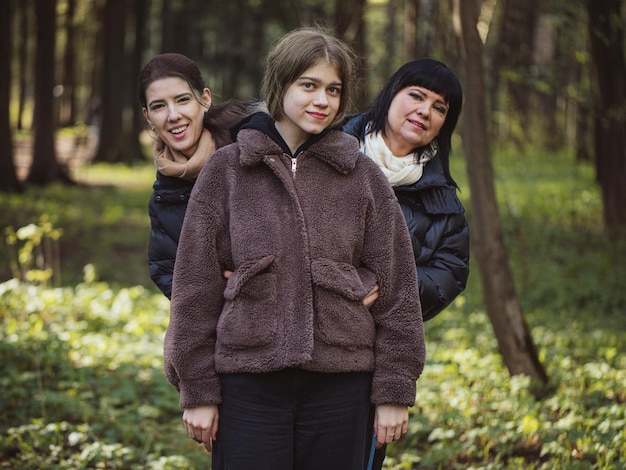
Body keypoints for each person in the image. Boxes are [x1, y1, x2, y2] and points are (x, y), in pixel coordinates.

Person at [163, 27, 426, 470]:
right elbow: (194, 288)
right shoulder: (227, 170)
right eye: (309, 85)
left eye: (333, 90)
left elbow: (399, 292)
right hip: (247, 381)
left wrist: (395, 391)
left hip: (343, 384)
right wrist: (198, 390)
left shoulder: (362, 176)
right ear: (280, 84)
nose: (322, 100)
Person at [342, 58, 470, 469]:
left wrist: (389, 290)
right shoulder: (326, 145)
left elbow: (450, 271)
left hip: (369, 359)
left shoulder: (443, 200)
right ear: (391, 94)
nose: (424, 111)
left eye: (439, 108)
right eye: (416, 95)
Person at [138, 52, 263, 299]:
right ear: (148, 117)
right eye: (159, 106)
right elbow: (167, 272)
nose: (173, 115)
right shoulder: (163, 198)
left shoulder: (254, 150)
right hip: (226, 329)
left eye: (182, 100)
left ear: (205, 99)